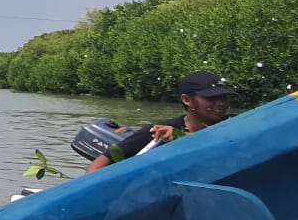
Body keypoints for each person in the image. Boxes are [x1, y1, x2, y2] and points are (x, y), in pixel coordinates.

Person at [87, 71, 235, 172]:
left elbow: (223, 145)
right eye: (211, 98)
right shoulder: (159, 132)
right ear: (187, 100)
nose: (221, 103)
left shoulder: (236, 124)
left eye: (223, 97)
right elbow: (99, 165)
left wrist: (180, 137)